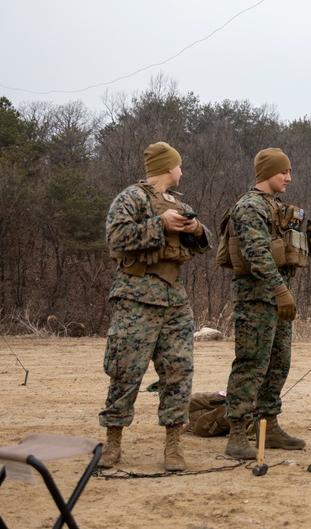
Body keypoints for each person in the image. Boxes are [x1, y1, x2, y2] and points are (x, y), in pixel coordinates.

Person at [99, 141, 213, 472]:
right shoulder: (130, 199)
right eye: (178, 165)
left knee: (178, 371)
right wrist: (159, 224)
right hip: (136, 297)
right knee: (125, 370)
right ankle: (113, 443)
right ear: (167, 167)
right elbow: (116, 239)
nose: (182, 171)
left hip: (174, 300)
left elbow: (204, 245)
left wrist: (195, 228)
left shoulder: (179, 203)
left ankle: (174, 445)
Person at [223, 148, 311, 459]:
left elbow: (287, 256)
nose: (289, 177)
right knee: (251, 363)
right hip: (257, 298)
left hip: (278, 297)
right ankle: (238, 433)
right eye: (284, 172)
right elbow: (256, 254)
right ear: (268, 172)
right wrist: (280, 291)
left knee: (279, 363)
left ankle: (269, 422)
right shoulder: (249, 207)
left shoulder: (276, 207)